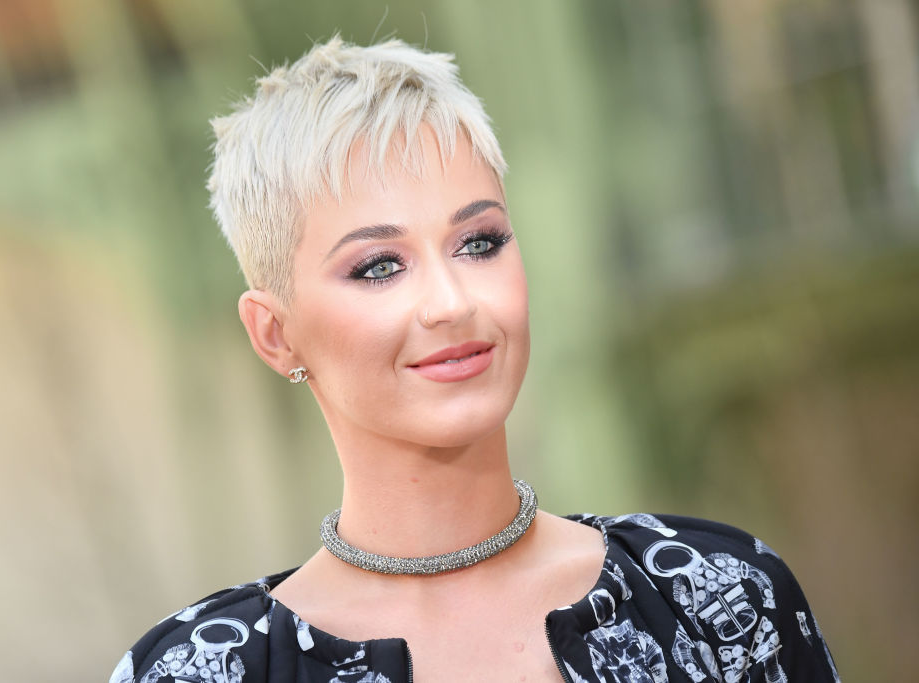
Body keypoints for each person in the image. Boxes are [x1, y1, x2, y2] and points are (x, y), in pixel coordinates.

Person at [109, 37, 839, 683]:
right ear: (275, 334)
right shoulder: (199, 671)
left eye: (479, 243)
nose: (451, 301)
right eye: (378, 266)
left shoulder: (718, 597)